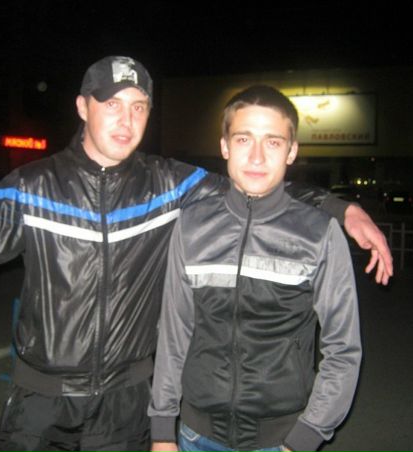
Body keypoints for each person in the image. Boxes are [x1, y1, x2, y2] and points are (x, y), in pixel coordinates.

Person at [0, 57, 382, 452]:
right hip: (40, 403)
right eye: (112, 103)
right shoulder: (31, 188)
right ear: (83, 107)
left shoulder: (169, 185)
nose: (126, 119)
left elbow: (254, 183)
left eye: (139, 106)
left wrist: (342, 208)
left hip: (126, 409)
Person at [149, 85, 362, 452]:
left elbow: (343, 349)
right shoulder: (192, 226)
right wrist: (163, 430)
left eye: (273, 142)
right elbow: (173, 333)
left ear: (291, 151)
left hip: (281, 439)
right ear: (225, 147)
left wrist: (306, 436)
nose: (257, 157)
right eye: (244, 139)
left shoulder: (320, 234)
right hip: (195, 434)